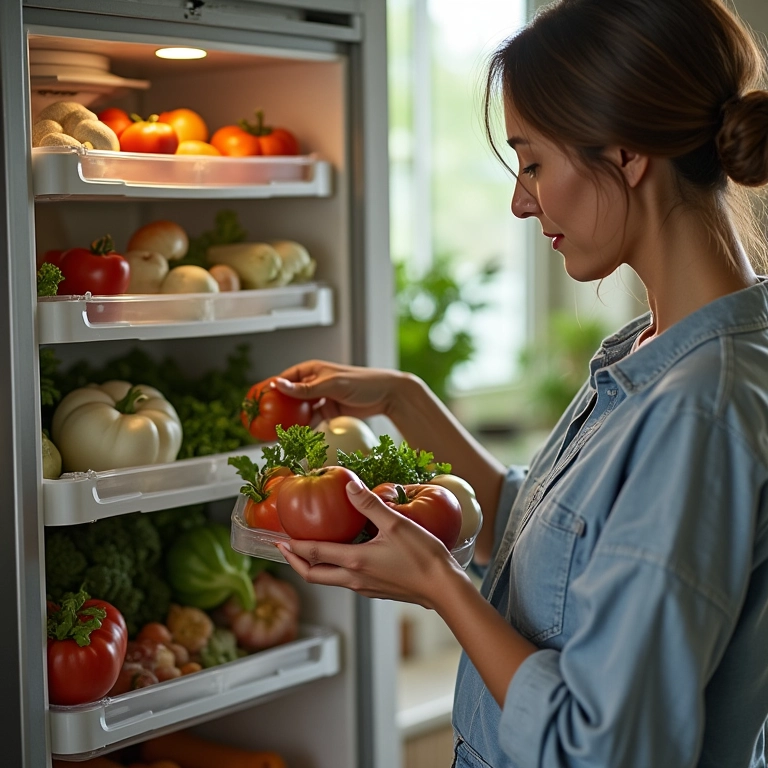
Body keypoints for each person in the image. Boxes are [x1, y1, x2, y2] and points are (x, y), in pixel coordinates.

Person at [273, 0, 768, 765]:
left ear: (629, 155)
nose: (519, 198)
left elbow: (603, 744)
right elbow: (560, 562)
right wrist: (407, 400)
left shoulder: (698, 408)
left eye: (533, 161)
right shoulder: (659, 350)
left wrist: (441, 585)